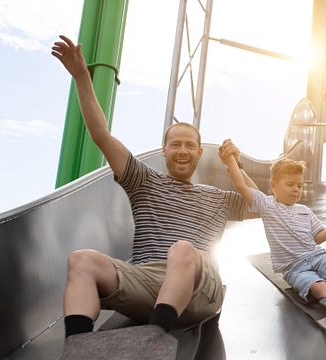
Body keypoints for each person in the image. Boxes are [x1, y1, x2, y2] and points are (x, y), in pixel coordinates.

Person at [52, 35, 255, 337]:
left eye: (189, 145)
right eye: (175, 145)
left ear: (200, 152)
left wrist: (234, 165)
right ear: (164, 150)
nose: (182, 151)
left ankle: (153, 340)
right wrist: (82, 76)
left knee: (183, 249)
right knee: (81, 259)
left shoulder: (218, 198)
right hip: (146, 282)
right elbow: (100, 134)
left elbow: (263, 205)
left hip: (199, 287)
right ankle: (76, 350)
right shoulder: (144, 181)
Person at [220, 140, 326, 301]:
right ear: (273, 186)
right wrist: (231, 160)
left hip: (318, 256)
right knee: (321, 289)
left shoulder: (304, 210)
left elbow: (318, 238)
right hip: (295, 268)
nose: (296, 189)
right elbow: (241, 185)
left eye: (299, 185)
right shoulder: (267, 205)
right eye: (290, 184)